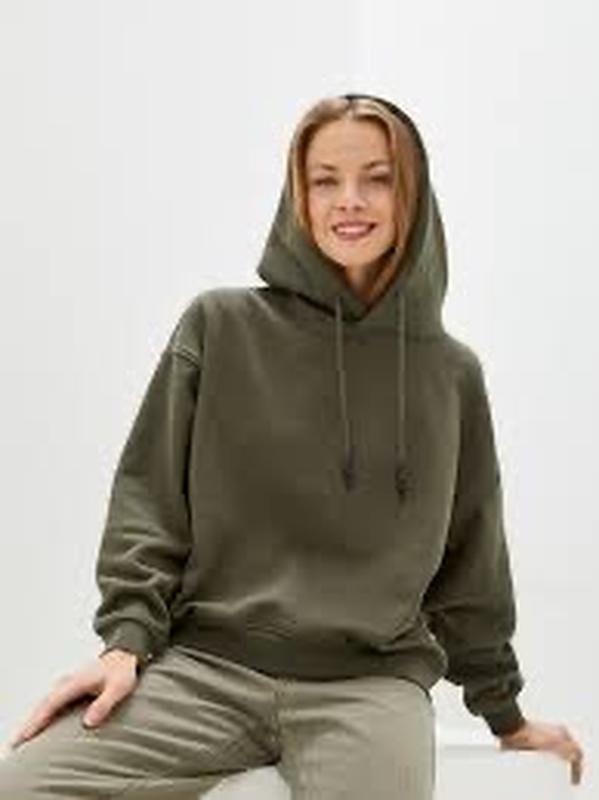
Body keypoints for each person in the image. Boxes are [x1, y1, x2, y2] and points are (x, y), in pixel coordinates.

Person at [2, 93, 584, 798]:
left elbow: (473, 564)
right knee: (25, 786)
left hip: (369, 689)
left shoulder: (450, 374)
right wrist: (126, 642)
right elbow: (150, 502)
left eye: (377, 178)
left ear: (413, 193)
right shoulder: (220, 326)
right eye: (324, 180)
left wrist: (505, 715)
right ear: (297, 196)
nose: (350, 200)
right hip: (205, 671)